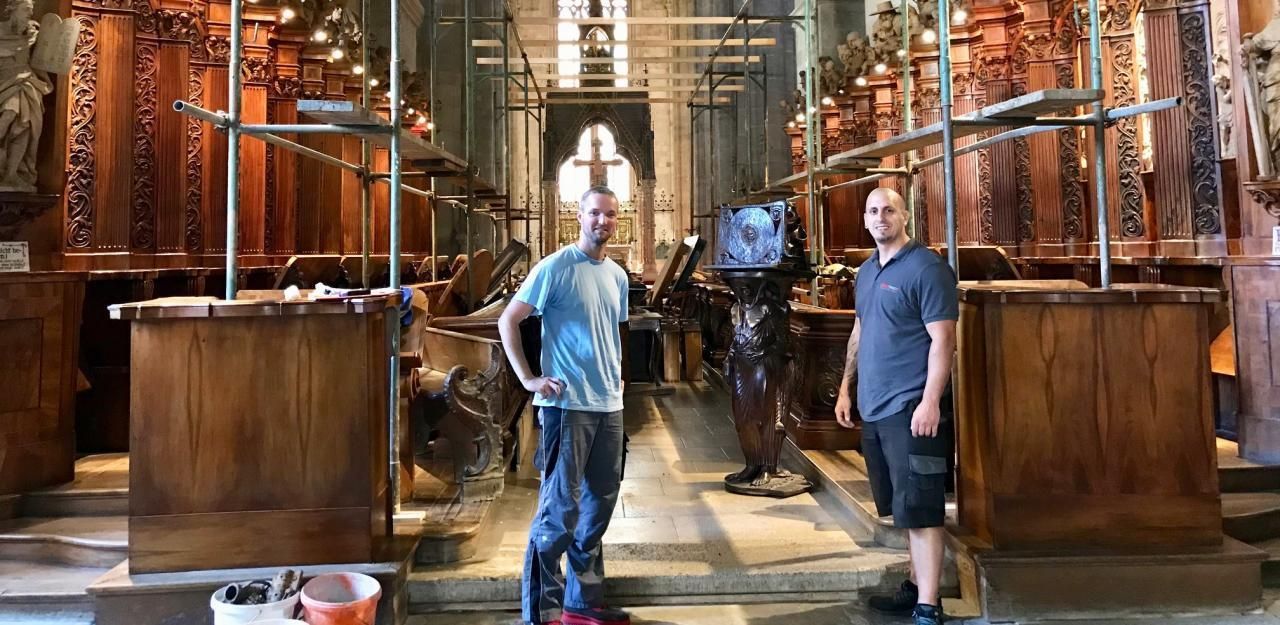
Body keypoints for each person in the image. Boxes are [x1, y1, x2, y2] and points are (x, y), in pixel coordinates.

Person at [498, 186, 632, 625]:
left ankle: (583, 601)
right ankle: (542, 612)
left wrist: (618, 377)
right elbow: (508, 320)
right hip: (566, 407)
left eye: (610, 214)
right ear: (580, 216)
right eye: (595, 213)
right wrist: (529, 379)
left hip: (609, 406)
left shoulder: (617, 275)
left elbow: (615, 331)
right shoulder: (555, 267)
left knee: (598, 507)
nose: (603, 221)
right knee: (559, 511)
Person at [834, 187, 957, 625]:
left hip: (911, 407)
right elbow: (860, 329)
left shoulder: (927, 268)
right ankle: (914, 585)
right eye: (873, 211)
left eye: (889, 210)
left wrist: (930, 401)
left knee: (922, 510)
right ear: (865, 219)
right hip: (875, 406)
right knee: (903, 509)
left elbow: (944, 340)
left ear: (904, 216)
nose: (880, 217)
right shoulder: (867, 271)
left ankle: (929, 606)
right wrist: (846, 387)